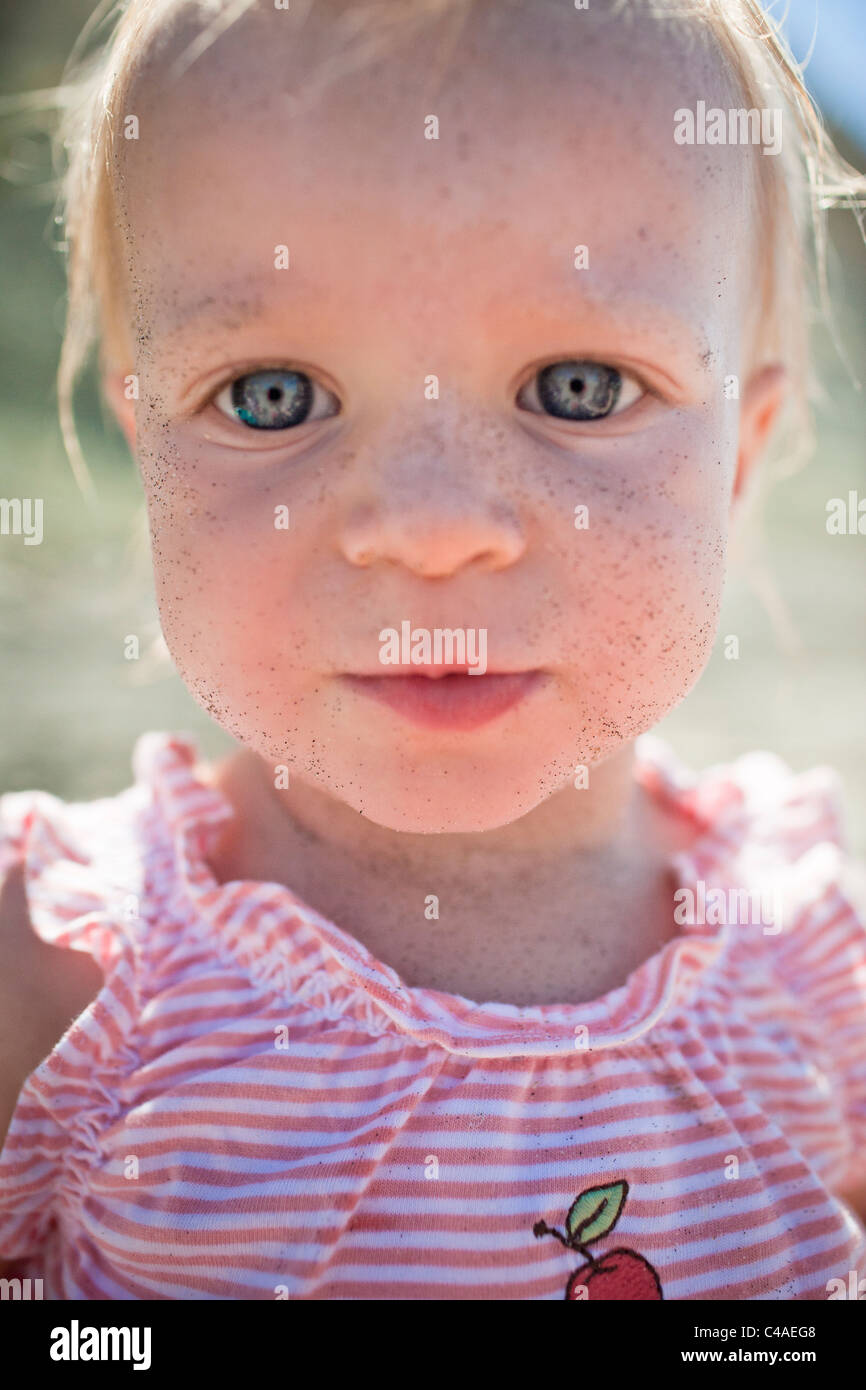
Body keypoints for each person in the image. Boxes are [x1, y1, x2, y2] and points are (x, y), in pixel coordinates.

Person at [1, 0, 865, 1300]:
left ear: (734, 458)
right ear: (151, 447)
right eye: (269, 396)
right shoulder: (52, 965)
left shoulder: (819, 961)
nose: (429, 530)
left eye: (577, 386)